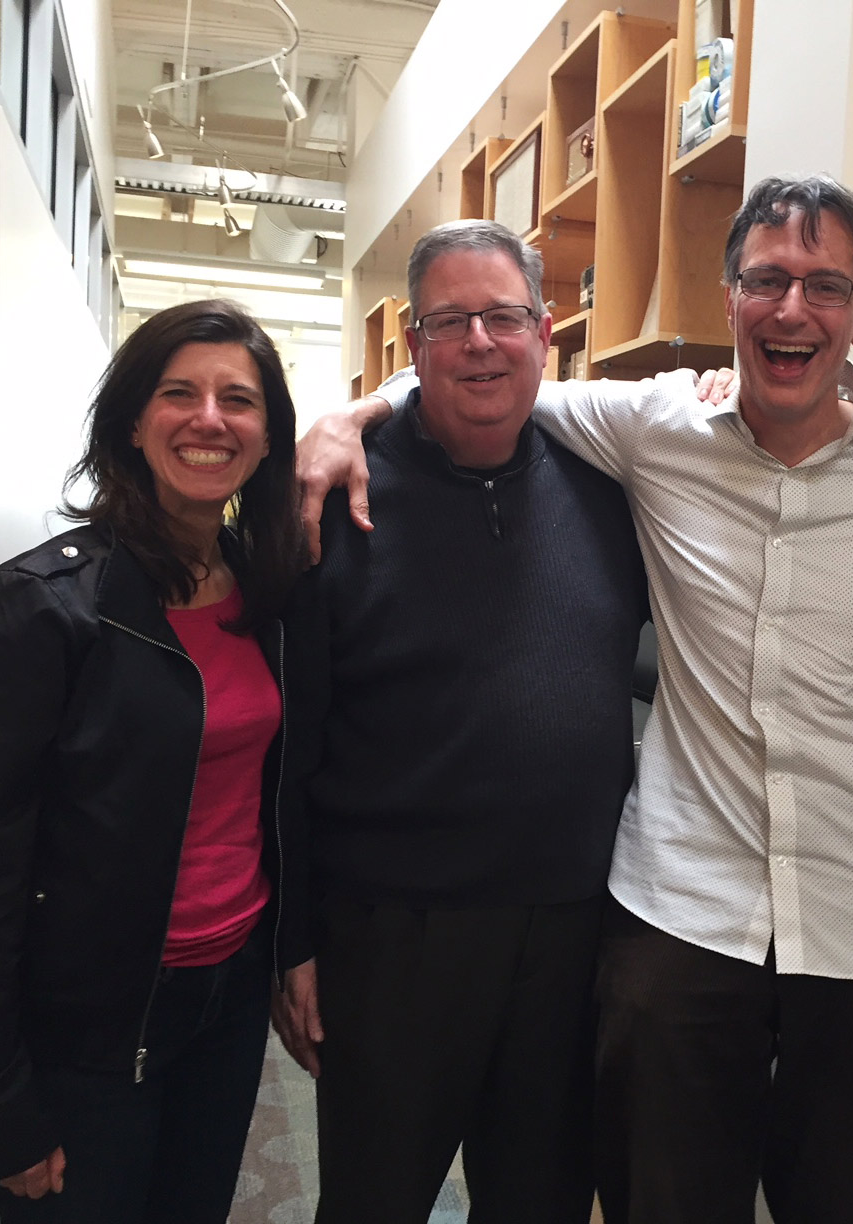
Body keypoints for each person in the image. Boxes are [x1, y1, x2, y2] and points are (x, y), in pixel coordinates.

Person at [295, 176, 853, 1224]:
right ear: (727, 296)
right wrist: (345, 414)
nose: (791, 309)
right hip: (676, 915)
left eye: (824, 286)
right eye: (765, 280)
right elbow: (482, 372)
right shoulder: (649, 432)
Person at [272, 219, 647, 1223]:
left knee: (541, 1203)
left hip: (573, 935)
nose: (480, 342)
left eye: (503, 316)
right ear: (414, 350)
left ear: (546, 328)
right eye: (451, 322)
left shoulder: (614, 488)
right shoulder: (331, 502)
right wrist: (292, 940)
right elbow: (289, 744)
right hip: (391, 940)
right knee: (373, 1201)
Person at [0, 298, 308, 1222]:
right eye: (180, 393)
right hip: (86, 1024)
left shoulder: (272, 592)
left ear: (265, 436)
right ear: (133, 421)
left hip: (227, 997)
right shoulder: (34, 613)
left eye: (238, 401)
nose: (210, 419)